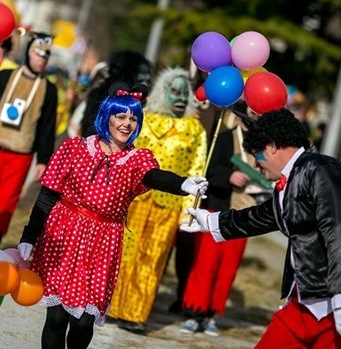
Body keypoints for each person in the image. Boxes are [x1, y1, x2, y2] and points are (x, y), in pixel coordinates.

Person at [181, 108, 341, 348]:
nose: (256, 166)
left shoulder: (321, 169)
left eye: (256, 155)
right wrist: (211, 221)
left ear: (272, 147)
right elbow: (264, 216)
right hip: (302, 305)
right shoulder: (294, 177)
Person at [17, 86, 208, 349]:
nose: (127, 124)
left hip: (103, 242)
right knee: (57, 316)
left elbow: (154, 176)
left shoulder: (137, 159)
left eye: (133, 119)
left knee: (84, 320)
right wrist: (29, 235)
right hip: (65, 235)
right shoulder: (75, 148)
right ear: (107, 116)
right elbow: (48, 194)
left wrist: (183, 183)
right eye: (121, 116)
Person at [108, 67, 207, 334]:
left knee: (152, 260)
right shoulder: (144, 119)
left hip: (170, 205)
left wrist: (189, 213)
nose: (180, 97)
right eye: (174, 91)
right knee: (125, 255)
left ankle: (135, 314)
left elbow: (197, 170)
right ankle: (112, 306)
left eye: (185, 93)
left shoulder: (195, 129)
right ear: (163, 92)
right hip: (136, 200)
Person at [178, 104, 268, 336]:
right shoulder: (225, 138)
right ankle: (193, 311)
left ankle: (211, 314)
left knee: (227, 268)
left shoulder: (265, 148)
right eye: (252, 115)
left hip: (244, 213)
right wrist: (229, 176)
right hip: (218, 209)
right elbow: (208, 172)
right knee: (205, 264)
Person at [0, 32, 58, 247]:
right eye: (38, 54)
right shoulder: (4, 76)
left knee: (5, 201)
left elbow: (47, 127)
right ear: (28, 53)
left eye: (46, 56)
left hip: (21, 154)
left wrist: (43, 160)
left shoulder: (49, 90)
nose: (42, 59)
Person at [79, 49, 151, 137]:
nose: (145, 85)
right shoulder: (99, 97)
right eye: (141, 80)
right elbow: (89, 132)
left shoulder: (145, 103)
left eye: (147, 80)